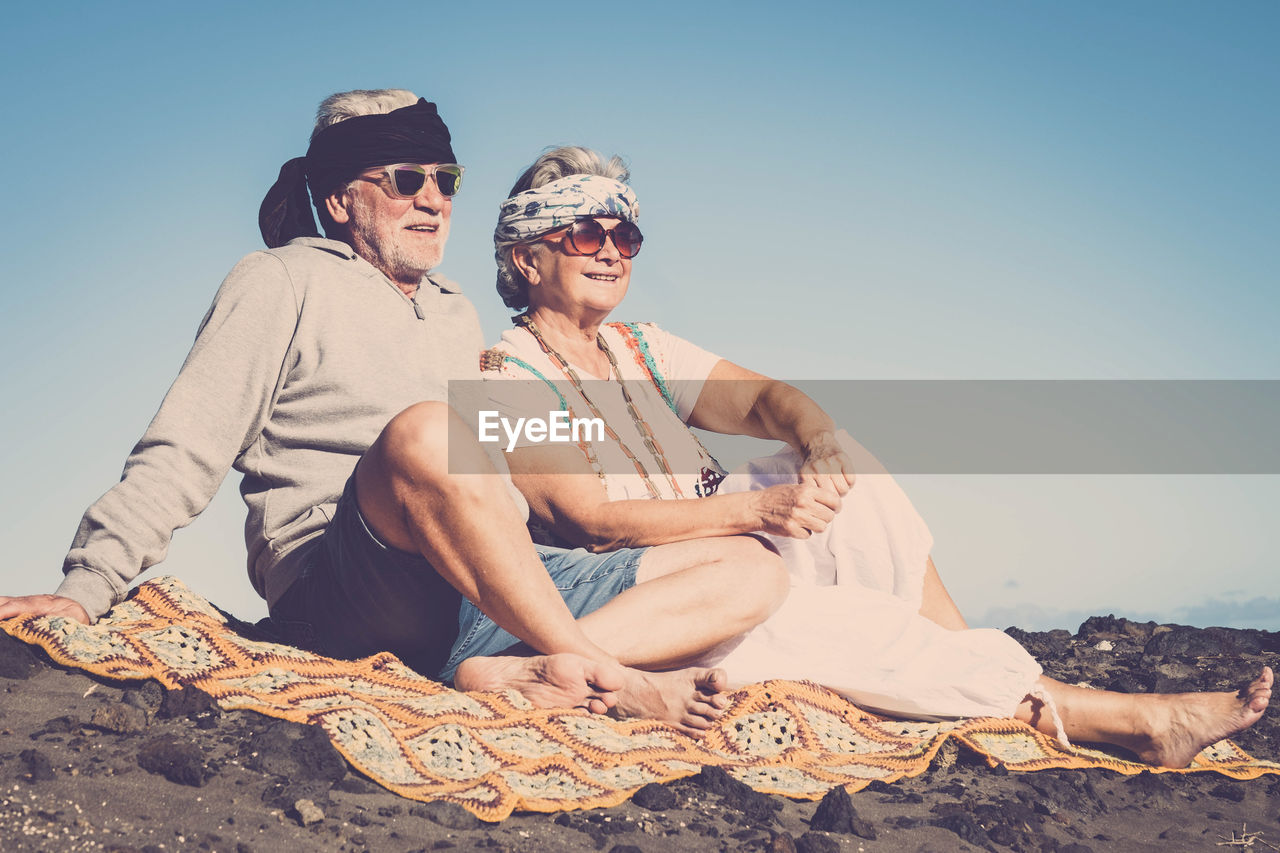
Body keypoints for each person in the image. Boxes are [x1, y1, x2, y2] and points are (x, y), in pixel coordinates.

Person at [0, 91, 798, 736]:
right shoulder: (279, 281)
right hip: (344, 578)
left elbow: (523, 469)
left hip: (468, 581)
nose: (432, 200)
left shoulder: (456, 316)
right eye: (405, 180)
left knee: (752, 566)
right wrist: (87, 582)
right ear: (344, 200)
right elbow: (185, 445)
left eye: (445, 180)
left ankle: (511, 667)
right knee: (428, 431)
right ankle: (607, 676)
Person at [478, 146, 1273, 766]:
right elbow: (594, 522)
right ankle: (1119, 717)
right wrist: (755, 509)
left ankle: (978, 670)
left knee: (851, 475)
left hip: (724, 548)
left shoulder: (639, 347)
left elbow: (767, 400)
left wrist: (818, 441)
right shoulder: (504, 376)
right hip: (654, 597)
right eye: (586, 232)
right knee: (846, 624)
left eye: (627, 234)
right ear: (526, 256)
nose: (612, 250)